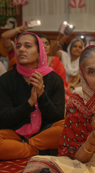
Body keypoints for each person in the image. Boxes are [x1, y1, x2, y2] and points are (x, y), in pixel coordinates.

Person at [0, 32, 65, 160]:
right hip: (15, 132)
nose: (21, 50)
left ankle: (22, 148)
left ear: (39, 51)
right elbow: (3, 119)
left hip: (45, 132)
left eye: (27, 46)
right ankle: (38, 150)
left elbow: (57, 117)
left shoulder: (54, 79)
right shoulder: (6, 80)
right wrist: (29, 103)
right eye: (18, 46)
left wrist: (41, 95)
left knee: (67, 127)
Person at [38, 34, 71, 104]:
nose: (44, 46)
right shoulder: (31, 63)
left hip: (55, 92)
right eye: (41, 43)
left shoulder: (56, 61)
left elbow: (62, 82)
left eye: (46, 44)